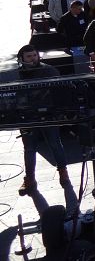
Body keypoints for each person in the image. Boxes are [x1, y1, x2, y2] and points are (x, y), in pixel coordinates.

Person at [16, 45, 70, 196]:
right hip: (27, 116)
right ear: (21, 59)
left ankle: (63, 171)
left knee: (55, 143)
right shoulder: (17, 73)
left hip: (49, 114)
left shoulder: (49, 70)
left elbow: (60, 91)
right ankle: (30, 179)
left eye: (34, 55)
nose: (33, 59)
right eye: (29, 56)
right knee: (29, 148)